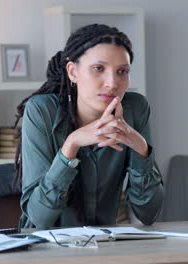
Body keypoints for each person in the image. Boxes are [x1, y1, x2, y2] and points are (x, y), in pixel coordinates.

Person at [12, 24, 164, 229]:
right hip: (45, 250)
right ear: (73, 72)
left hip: (105, 250)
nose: (112, 83)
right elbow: (39, 219)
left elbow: (149, 214)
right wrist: (71, 145)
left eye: (122, 71)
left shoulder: (135, 109)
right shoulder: (41, 111)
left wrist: (142, 149)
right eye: (98, 68)